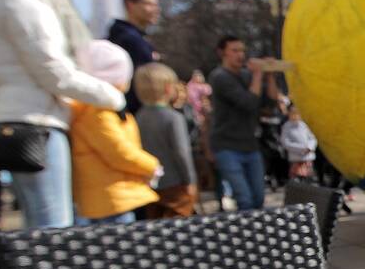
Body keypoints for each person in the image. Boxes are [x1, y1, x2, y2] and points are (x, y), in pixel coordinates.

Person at [0, 0, 125, 229]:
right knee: (52, 229)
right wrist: (112, 96)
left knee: (39, 225)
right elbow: (53, 71)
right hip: (36, 123)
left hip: (15, 120)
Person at [69, 41, 160, 225]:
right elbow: (118, 151)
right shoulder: (98, 111)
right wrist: (151, 165)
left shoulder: (100, 108)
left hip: (109, 196)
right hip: (111, 199)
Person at [208, 35, 278, 211]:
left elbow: (270, 104)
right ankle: (248, 237)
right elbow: (248, 103)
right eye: (235, 50)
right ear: (222, 53)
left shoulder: (247, 76)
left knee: (258, 197)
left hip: (250, 146)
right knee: (244, 198)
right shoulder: (219, 77)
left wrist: (269, 76)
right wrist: (258, 74)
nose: (241, 55)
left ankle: (256, 234)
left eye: (242, 50)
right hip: (227, 147)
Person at [134, 63, 198, 218]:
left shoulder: (137, 117)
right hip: (176, 183)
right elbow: (182, 152)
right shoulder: (174, 118)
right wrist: (190, 181)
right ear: (169, 88)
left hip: (149, 184)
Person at [108, 0, 160, 114]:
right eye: (149, 4)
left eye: (156, 5)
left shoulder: (138, 38)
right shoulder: (129, 40)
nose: (156, 10)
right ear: (130, 5)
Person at [280, 104, 318, 181]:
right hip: (295, 158)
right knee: (296, 180)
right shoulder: (286, 127)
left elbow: (312, 138)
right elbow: (285, 142)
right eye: (293, 113)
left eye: (297, 113)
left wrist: (309, 147)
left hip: (307, 157)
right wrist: (301, 149)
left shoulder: (304, 125)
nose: (295, 115)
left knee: (309, 179)